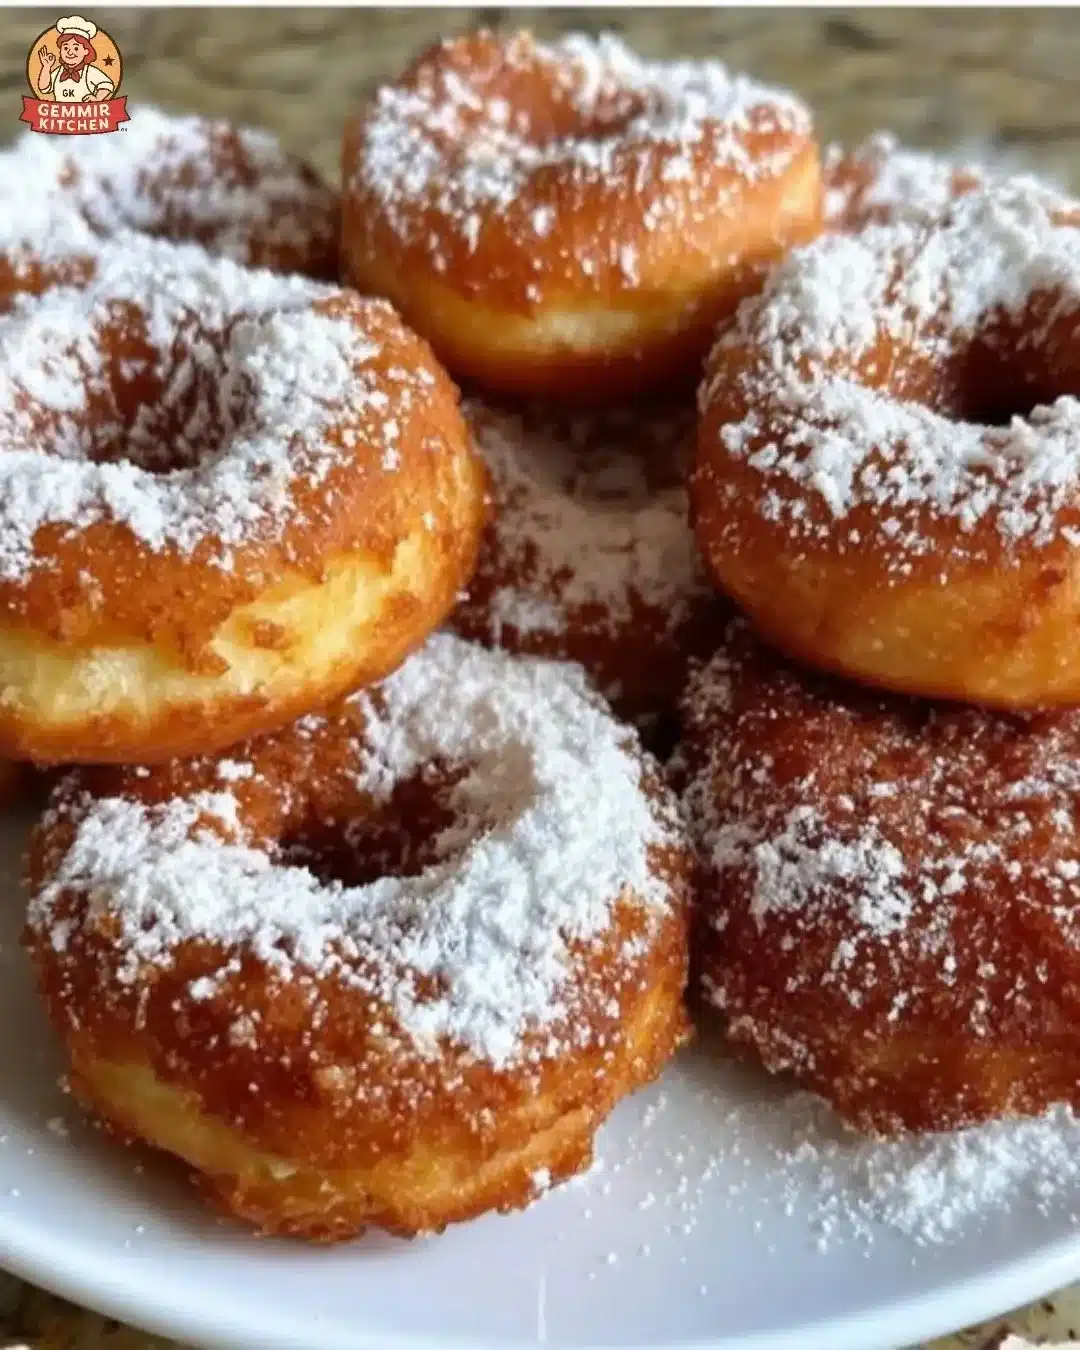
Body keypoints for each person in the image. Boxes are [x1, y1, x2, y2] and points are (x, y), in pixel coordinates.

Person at [35, 15, 115, 103]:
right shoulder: (59, 71)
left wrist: (97, 98)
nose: (70, 52)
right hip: (60, 114)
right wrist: (46, 67)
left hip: (86, 115)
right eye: (65, 48)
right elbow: (44, 88)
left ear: (86, 51)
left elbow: (107, 85)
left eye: (76, 48)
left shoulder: (89, 72)